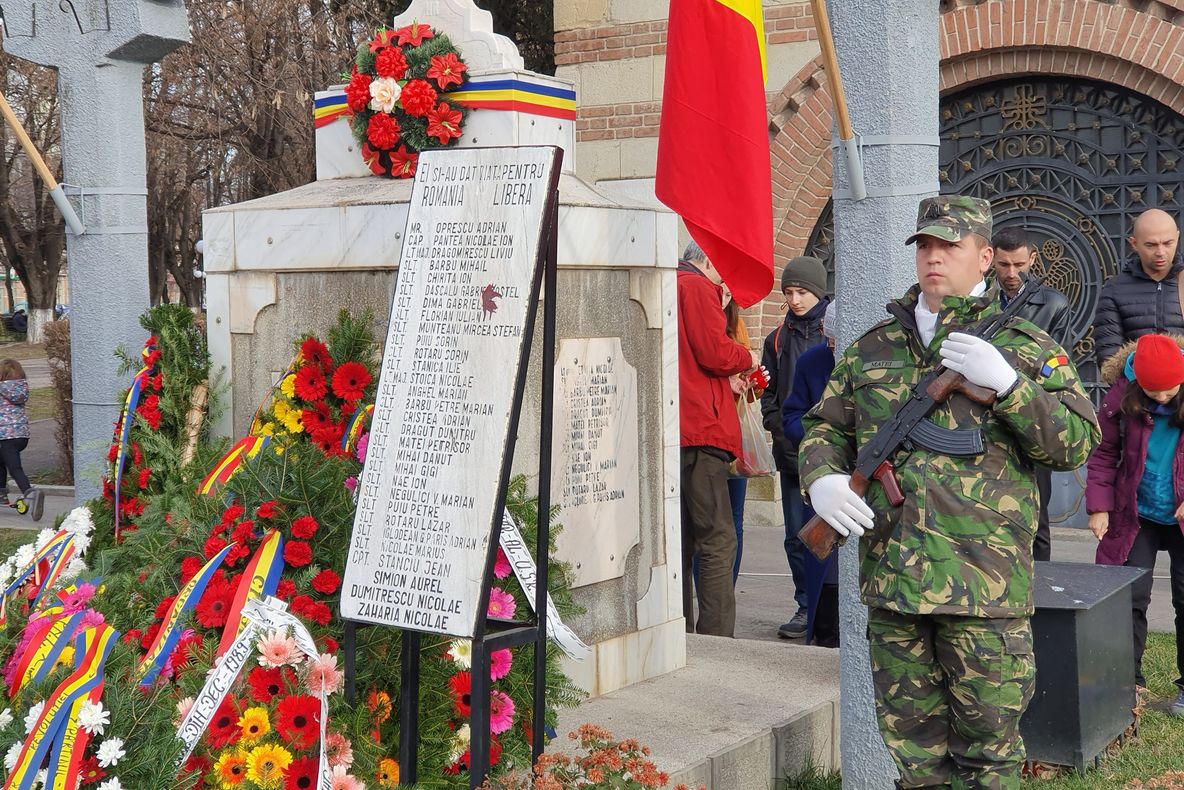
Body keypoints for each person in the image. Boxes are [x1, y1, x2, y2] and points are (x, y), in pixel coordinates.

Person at [800, 195, 1098, 787]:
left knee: (990, 756)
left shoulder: (1026, 347)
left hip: (983, 591)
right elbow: (825, 426)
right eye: (926, 246)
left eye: (950, 245)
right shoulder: (875, 346)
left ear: (986, 256)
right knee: (914, 760)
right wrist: (823, 480)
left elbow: (1075, 443)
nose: (935, 258)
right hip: (895, 588)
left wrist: (1012, 386)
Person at [1086, 333, 1184, 713]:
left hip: (1178, 518)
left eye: (1170, 390)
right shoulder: (1119, 400)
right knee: (1128, 598)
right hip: (1135, 513)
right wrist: (1100, 507)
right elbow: (1103, 454)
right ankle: (1128, 682)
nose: (1162, 398)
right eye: (1154, 391)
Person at [678, 240, 759, 637]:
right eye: (723, 273)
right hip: (700, 433)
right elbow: (715, 353)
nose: (725, 285)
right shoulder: (695, 287)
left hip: (683, 429)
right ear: (708, 261)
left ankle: (678, 631)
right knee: (718, 540)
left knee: (684, 538)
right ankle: (717, 640)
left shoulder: (674, 283)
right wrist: (746, 357)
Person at [993, 227, 1074, 563]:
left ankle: (1041, 599)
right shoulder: (978, 301)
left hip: (1032, 415)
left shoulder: (1053, 304)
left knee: (1037, 516)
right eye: (1004, 265)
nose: (1012, 273)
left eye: (1019, 264)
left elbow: (1059, 365)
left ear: (1034, 259)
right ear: (990, 260)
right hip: (987, 418)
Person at [760, 256, 829, 639]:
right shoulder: (777, 337)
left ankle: (824, 604)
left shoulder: (830, 331)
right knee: (795, 535)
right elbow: (769, 391)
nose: (795, 299)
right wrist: (777, 425)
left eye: (801, 291)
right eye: (788, 292)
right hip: (790, 452)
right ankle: (805, 604)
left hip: (827, 453)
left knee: (827, 531)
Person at [782, 300, 839, 647]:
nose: (834, 348)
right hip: (821, 473)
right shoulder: (812, 362)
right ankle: (820, 626)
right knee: (823, 562)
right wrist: (822, 433)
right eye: (830, 341)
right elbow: (791, 416)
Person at [1094, 208, 1184, 366]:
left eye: (1168, 243)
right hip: (1136, 386)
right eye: (1151, 245)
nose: (1160, 252)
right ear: (1134, 243)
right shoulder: (1115, 289)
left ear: (1177, 237)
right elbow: (1109, 358)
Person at [0, 359, 42, 521]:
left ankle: (30, 493)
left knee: (14, 468)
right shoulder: (21, 387)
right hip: (21, 436)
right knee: (1, 461)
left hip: (6, 436)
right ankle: (2, 492)